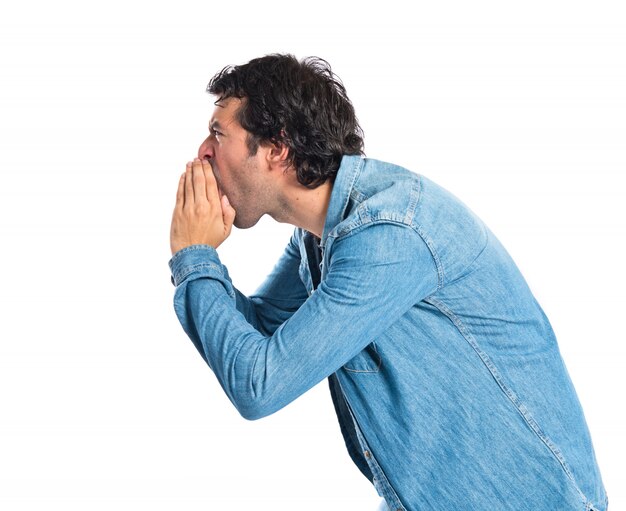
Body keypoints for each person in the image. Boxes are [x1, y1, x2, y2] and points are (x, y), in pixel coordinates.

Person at [168, 54, 607, 510]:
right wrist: (198, 260)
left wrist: (193, 258)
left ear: (278, 148)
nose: (203, 150)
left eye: (219, 133)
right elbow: (258, 333)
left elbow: (258, 384)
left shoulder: (388, 233)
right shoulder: (319, 239)